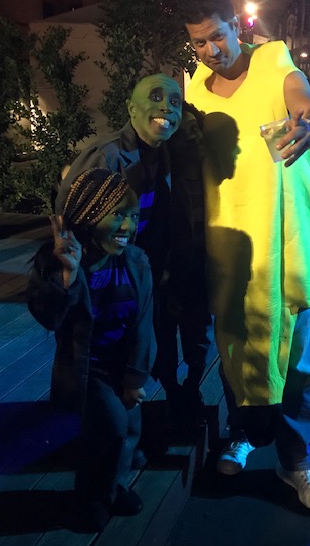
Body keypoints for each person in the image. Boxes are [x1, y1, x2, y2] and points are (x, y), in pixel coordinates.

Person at [183, 0, 310, 511]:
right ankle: (242, 434)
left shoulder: (273, 62)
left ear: (236, 26)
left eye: (217, 36)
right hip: (228, 245)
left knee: (294, 356)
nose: (210, 50)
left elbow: (306, 102)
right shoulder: (194, 89)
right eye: (198, 42)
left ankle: (298, 462)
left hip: (284, 240)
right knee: (234, 347)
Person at [55, 74, 213, 428]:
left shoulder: (164, 154)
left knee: (145, 346)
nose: (166, 107)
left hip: (143, 271)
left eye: (174, 101)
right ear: (131, 108)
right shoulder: (107, 156)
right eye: (155, 97)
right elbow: (69, 213)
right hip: (103, 277)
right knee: (103, 364)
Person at [27, 168, 155, 532]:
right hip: (88, 368)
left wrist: (135, 377)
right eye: (118, 215)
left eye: (133, 216)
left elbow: (144, 324)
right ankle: (91, 497)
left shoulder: (136, 262)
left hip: (122, 364)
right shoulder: (61, 262)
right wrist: (68, 276)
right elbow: (48, 317)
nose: (128, 226)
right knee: (110, 427)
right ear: (89, 215)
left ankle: (114, 487)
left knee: (129, 427)